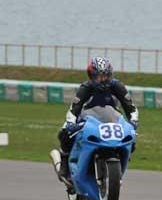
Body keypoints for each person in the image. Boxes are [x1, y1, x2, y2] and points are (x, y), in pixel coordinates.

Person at [55, 56, 139, 184]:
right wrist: (71, 123)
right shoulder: (86, 88)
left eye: (105, 75)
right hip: (87, 118)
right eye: (99, 76)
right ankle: (64, 166)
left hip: (111, 118)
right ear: (91, 76)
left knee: (131, 137)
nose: (103, 79)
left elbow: (131, 107)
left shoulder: (117, 86)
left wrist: (133, 121)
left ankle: (122, 159)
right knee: (64, 133)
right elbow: (73, 109)